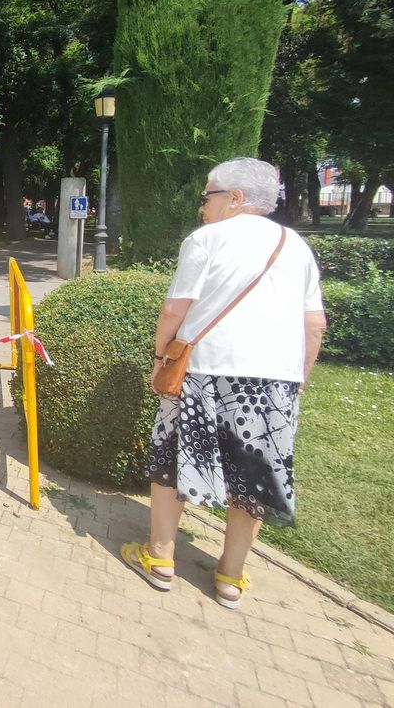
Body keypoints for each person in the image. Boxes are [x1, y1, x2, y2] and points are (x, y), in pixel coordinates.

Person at [121, 158, 327, 610]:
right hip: (274, 381)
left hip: (203, 371)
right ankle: (230, 576)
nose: (202, 205)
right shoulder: (296, 247)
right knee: (252, 475)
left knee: (172, 458)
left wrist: (159, 358)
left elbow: (175, 310)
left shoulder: (208, 239)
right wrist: (298, 381)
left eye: (208, 195)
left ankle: (159, 558)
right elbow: (315, 325)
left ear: (235, 199)